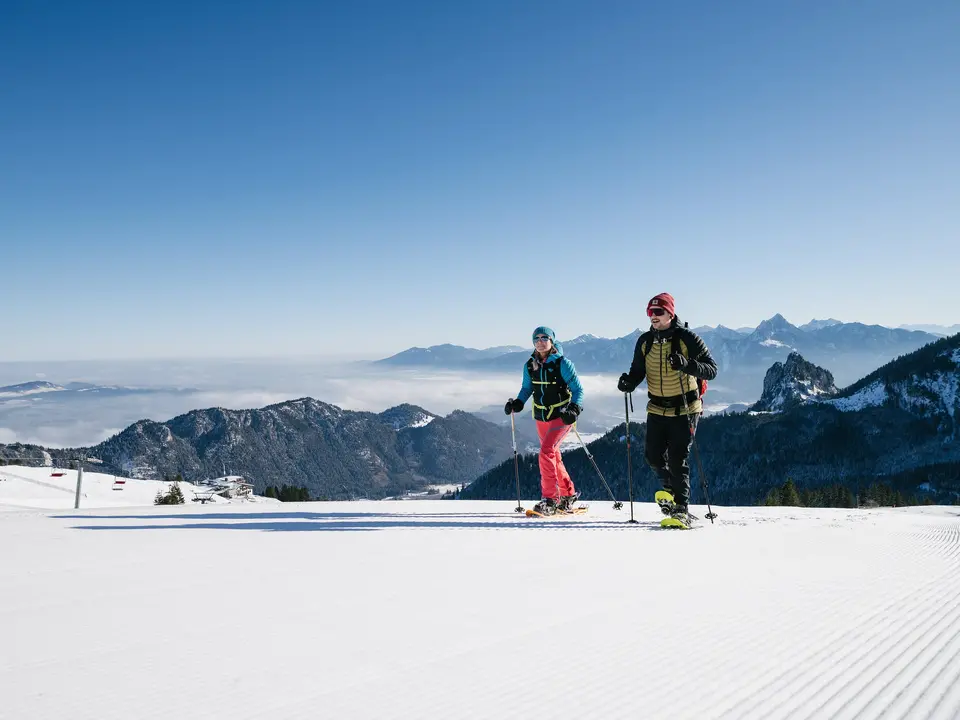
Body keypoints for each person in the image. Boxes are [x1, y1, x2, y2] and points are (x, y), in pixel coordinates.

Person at [617, 293, 717, 526]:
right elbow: (637, 371)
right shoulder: (645, 341)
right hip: (657, 408)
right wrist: (628, 382)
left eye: (658, 312)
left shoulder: (688, 339)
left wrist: (687, 365)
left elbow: (711, 370)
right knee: (652, 456)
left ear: (670, 314)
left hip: (685, 408)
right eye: (650, 312)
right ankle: (672, 491)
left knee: (677, 458)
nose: (653, 316)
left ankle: (681, 508)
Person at [504, 326, 585, 515]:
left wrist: (574, 408)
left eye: (544, 338)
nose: (540, 341)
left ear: (552, 341)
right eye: (536, 338)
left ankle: (550, 499)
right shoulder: (529, 365)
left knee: (546, 452)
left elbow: (578, 390)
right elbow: (526, 389)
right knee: (553, 455)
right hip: (541, 417)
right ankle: (568, 494)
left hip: (562, 416)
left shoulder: (563, 363)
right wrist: (518, 403)